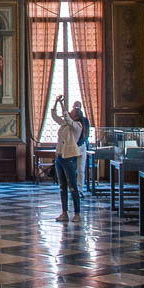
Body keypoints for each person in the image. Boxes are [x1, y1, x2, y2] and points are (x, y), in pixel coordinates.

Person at [51, 94, 82, 222]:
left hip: (69, 158)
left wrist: (63, 104)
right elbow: (55, 116)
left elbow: (67, 119)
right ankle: (64, 212)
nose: (69, 112)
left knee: (73, 186)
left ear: (75, 116)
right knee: (62, 186)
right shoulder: (64, 124)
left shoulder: (77, 126)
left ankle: (77, 213)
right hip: (60, 157)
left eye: (72, 111)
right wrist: (56, 103)